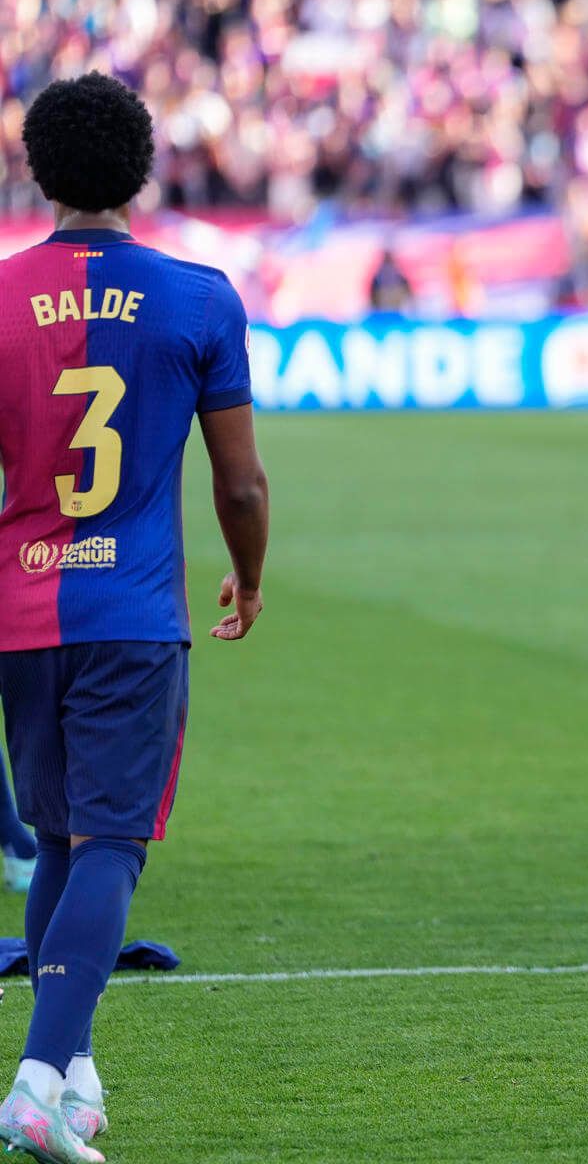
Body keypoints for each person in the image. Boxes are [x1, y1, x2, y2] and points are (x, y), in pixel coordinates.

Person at [0, 72, 270, 1160]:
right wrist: (249, 579)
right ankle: (31, 1079)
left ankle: (72, 1076)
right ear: (144, 169)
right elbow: (240, 485)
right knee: (112, 841)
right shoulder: (200, 297)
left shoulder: (3, 298)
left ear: (36, 169)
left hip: (21, 610)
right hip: (134, 611)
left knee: (59, 836)